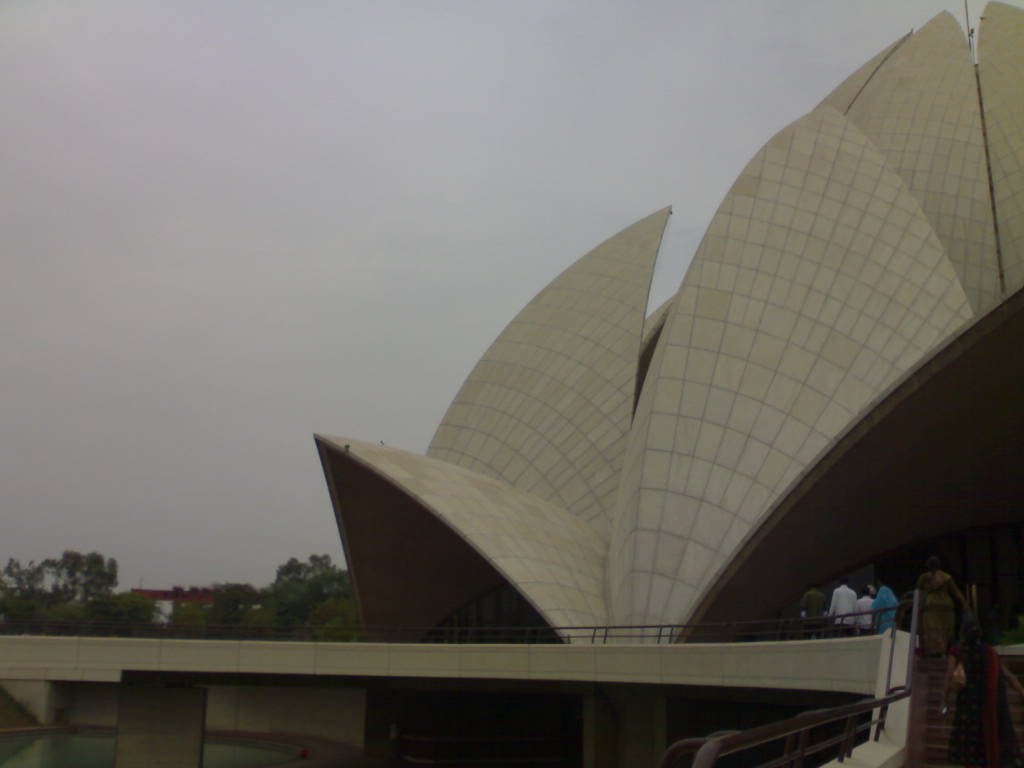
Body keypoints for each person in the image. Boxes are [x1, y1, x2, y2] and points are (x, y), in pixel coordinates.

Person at [944, 617, 1024, 767]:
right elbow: (1007, 675)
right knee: (984, 747)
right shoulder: (990, 653)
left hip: (966, 713)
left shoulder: (958, 651)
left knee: (968, 750)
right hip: (986, 710)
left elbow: (949, 675)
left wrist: (944, 701)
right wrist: (1021, 692)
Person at [917, 555, 967, 656]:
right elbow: (956, 591)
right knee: (945, 630)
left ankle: (935, 652)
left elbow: (918, 593)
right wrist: (964, 604)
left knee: (932, 630)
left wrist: (918, 606)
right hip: (946, 606)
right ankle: (945, 652)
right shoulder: (947, 577)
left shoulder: (924, 577)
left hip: (931, 606)